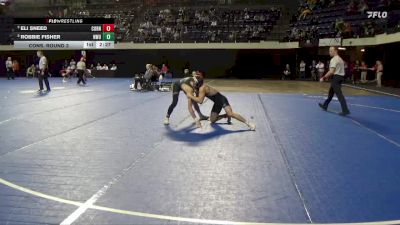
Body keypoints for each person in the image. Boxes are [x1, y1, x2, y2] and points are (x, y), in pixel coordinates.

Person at [187, 71, 256, 131]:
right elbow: (197, 96)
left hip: (222, 99)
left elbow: (200, 101)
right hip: (217, 103)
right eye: (195, 76)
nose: (194, 83)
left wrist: (190, 96)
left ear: (200, 80)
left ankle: (249, 123)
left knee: (231, 114)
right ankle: (225, 115)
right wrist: (194, 92)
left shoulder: (202, 88)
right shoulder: (198, 87)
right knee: (212, 120)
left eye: (198, 76)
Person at [318, 46, 350, 116]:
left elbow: (331, 71)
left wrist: (323, 77)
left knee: (339, 95)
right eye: (329, 51)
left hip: (336, 78)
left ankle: (345, 110)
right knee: (331, 93)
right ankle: (325, 105)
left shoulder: (334, 59)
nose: (329, 52)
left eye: (330, 51)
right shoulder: (340, 59)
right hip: (340, 77)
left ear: (335, 51)